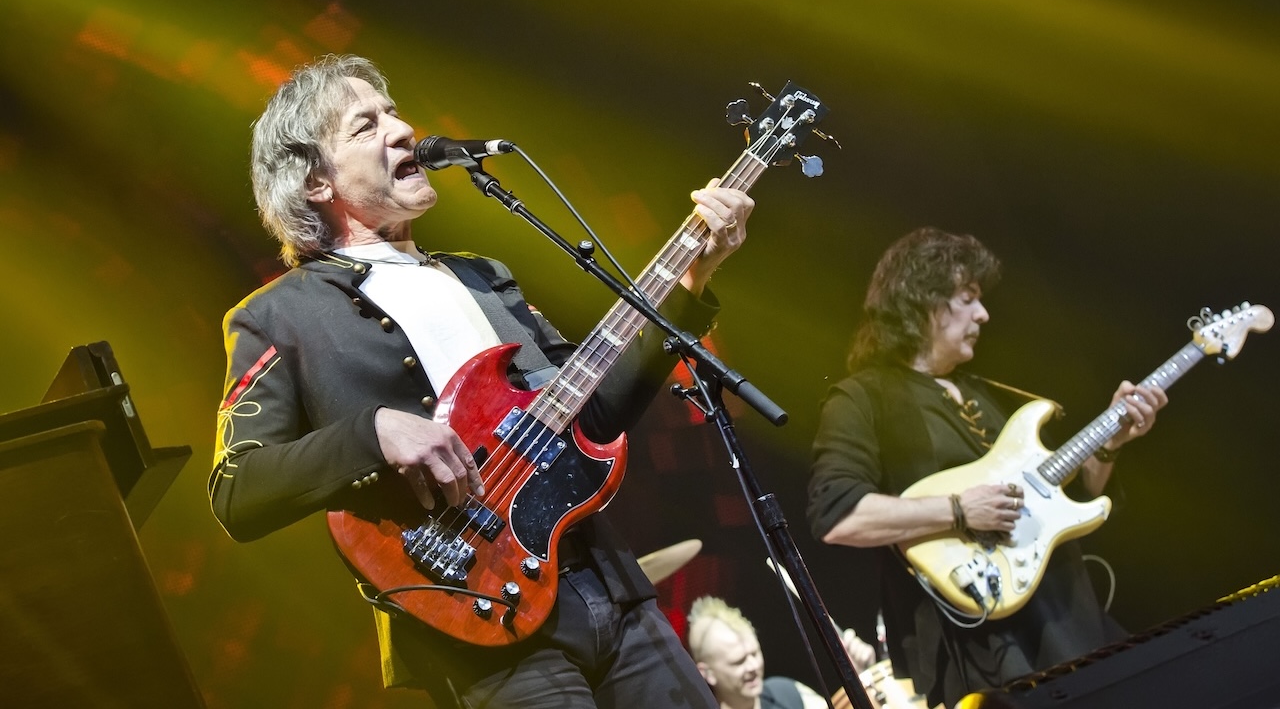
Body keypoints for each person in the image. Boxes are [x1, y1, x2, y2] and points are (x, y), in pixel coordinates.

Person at [209, 54, 754, 708]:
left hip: (607, 583)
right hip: (478, 620)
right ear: (318, 182)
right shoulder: (277, 316)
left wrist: (693, 281)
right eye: (366, 125)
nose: (402, 129)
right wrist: (372, 431)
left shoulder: (482, 277)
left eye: (393, 112)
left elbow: (596, 417)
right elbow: (237, 491)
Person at [805, 227, 1167, 708]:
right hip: (982, 650)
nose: (984, 313)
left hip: (1071, 618)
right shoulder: (862, 398)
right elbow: (837, 515)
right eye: (968, 297)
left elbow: (1073, 501)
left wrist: (1110, 445)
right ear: (921, 299)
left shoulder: (989, 394)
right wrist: (957, 510)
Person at [686, 596, 877, 709]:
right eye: (738, 662)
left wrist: (857, 679)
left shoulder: (787, 692)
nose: (753, 666)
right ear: (707, 673)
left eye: (754, 653)